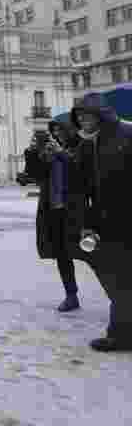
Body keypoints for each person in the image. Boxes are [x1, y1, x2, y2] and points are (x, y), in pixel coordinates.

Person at [70, 91, 132, 352]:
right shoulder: (87, 145)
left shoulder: (128, 135)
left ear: (101, 114)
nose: (83, 121)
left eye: (87, 116)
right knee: (114, 279)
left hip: (126, 220)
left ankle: (120, 334)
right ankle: (121, 332)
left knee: (122, 280)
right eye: (80, 117)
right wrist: (85, 223)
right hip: (104, 225)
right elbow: (82, 188)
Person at [24, 122, 81, 312]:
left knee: (92, 255)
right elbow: (34, 174)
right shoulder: (50, 152)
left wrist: (61, 154)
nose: (57, 134)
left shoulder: (82, 146)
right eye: (54, 131)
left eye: (61, 130)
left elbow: (80, 171)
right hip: (54, 210)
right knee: (62, 255)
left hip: (76, 211)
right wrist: (32, 152)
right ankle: (71, 295)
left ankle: (116, 298)